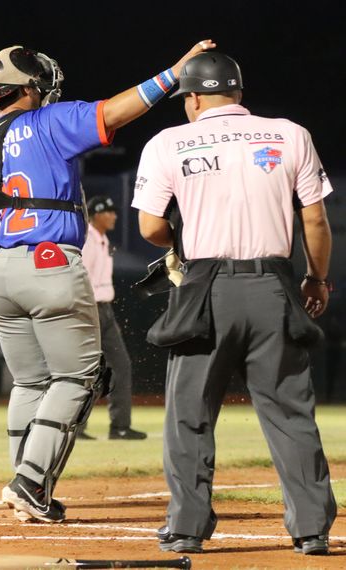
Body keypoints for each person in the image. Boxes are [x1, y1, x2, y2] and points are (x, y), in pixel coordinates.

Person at [0, 39, 216, 523]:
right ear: (29, 88)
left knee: (30, 381)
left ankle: (26, 483)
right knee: (80, 376)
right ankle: (30, 481)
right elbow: (116, 112)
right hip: (49, 259)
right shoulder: (48, 122)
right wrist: (172, 72)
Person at [132, 52, 336, 555]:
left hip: (206, 290)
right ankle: (311, 529)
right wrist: (317, 280)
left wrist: (179, 245)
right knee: (289, 412)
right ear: (238, 94)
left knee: (190, 413)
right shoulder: (291, 134)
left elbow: (150, 227)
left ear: (194, 98)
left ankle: (186, 528)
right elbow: (314, 221)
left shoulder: (167, 143)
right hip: (273, 287)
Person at [79, 195, 147, 440]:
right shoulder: (87, 238)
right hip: (90, 308)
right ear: (97, 214)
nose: (115, 216)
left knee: (121, 366)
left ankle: (120, 426)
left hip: (104, 309)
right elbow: (80, 276)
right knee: (87, 370)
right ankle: (75, 428)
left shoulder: (102, 239)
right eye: (110, 212)